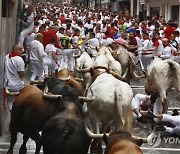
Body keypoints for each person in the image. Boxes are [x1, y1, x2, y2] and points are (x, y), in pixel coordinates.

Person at [4, 44, 25, 110]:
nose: (22, 51)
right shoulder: (19, 60)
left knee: (10, 101)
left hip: (8, 85)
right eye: (20, 49)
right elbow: (21, 74)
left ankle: (12, 113)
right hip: (17, 85)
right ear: (16, 50)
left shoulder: (7, 56)